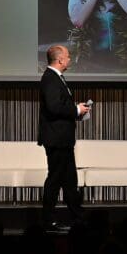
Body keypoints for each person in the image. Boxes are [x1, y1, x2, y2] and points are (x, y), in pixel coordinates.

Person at [38, 45, 91, 231]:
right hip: (56, 139)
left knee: (70, 180)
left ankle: (78, 217)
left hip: (63, 139)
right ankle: (48, 220)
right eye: (68, 56)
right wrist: (76, 109)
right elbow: (53, 107)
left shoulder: (56, 78)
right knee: (55, 179)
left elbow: (60, 105)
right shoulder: (50, 79)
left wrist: (77, 110)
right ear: (60, 60)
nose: (70, 59)